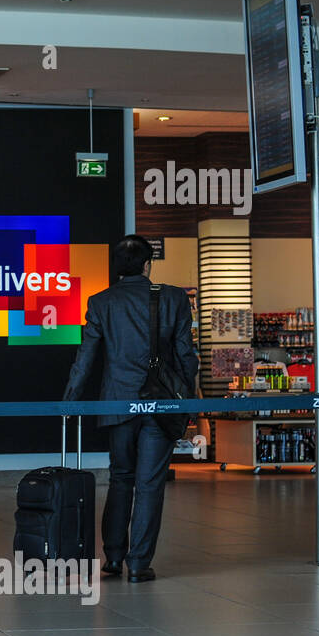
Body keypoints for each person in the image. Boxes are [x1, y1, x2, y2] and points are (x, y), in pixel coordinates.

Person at [63, 234, 198, 583]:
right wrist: (190, 400)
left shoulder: (101, 302)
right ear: (148, 265)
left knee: (120, 477)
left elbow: (86, 358)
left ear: (117, 269)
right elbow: (185, 355)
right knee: (150, 482)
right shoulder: (174, 298)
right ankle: (139, 563)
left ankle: (113, 557)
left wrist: (69, 401)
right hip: (161, 403)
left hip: (118, 401)